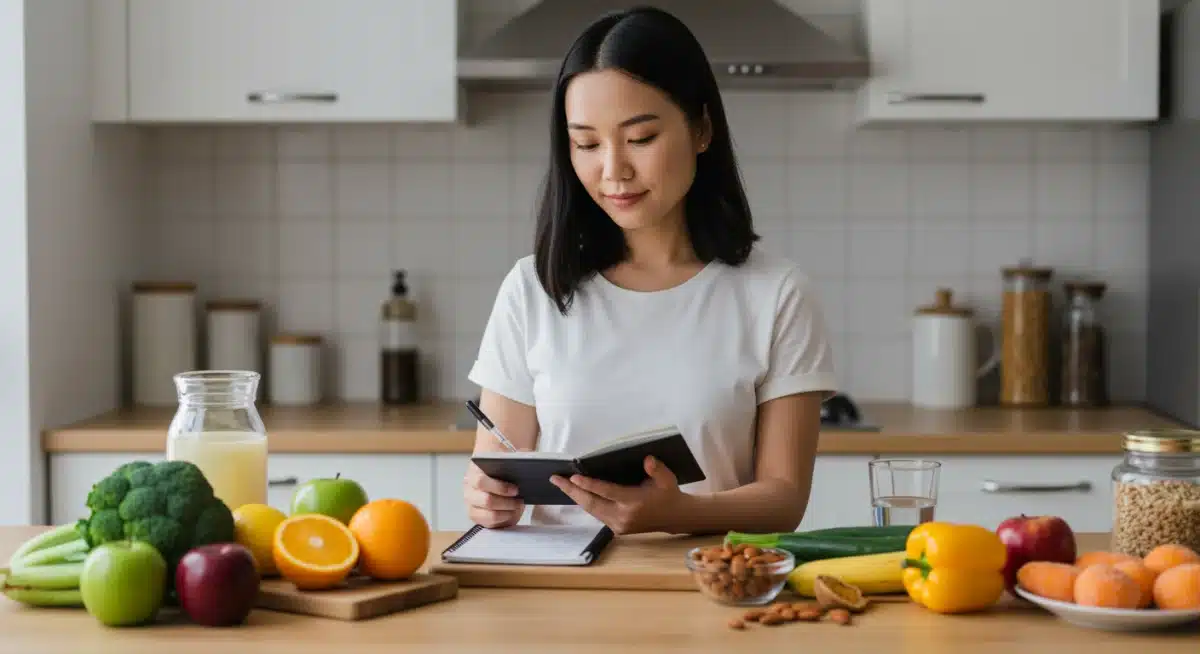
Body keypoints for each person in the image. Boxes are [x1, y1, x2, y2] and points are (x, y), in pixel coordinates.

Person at [462, 5, 838, 536]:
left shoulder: (776, 294)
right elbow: (495, 465)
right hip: (557, 593)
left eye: (640, 139)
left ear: (702, 128)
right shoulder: (533, 288)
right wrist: (486, 499)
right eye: (587, 144)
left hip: (710, 584)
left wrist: (682, 514)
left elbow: (784, 498)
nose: (613, 171)